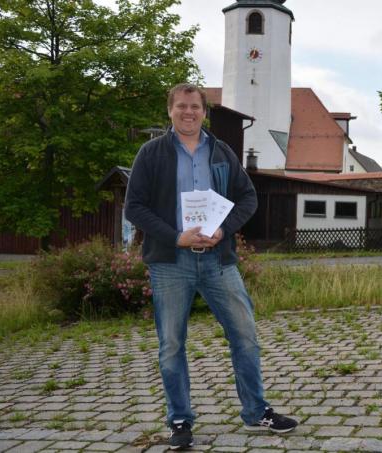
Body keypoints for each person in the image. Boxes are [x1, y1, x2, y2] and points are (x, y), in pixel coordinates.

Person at [125, 83, 298, 450]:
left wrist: (225, 229)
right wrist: (175, 236)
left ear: (205, 112)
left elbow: (247, 198)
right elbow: (134, 207)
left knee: (246, 336)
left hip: (219, 261)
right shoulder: (151, 153)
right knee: (172, 345)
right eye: (181, 107)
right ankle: (179, 420)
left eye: (195, 107)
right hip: (171, 262)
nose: (189, 113)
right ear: (170, 110)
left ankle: (256, 412)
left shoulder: (221, 152)